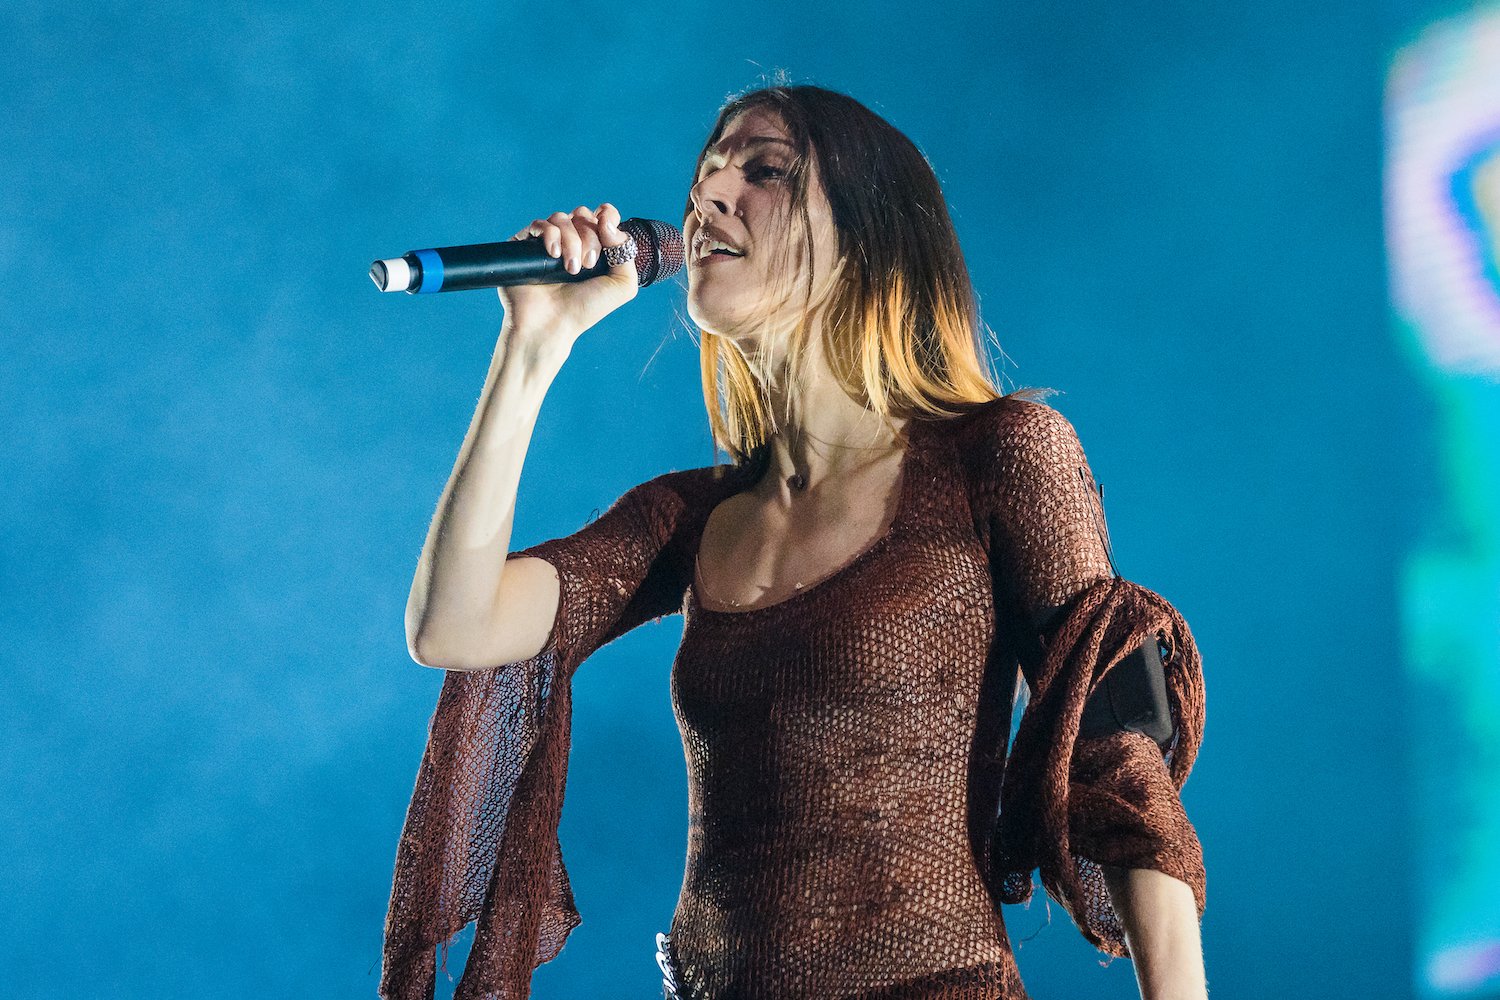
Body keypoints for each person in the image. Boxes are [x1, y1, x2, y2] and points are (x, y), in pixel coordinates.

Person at [380, 84, 1208, 1000]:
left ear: (868, 234)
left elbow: (1117, 743)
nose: (709, 199)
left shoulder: (1000, 453)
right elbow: (452, 626)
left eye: (765, 172)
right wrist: (530, 350)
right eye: (704, 179)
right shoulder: (686, 519)